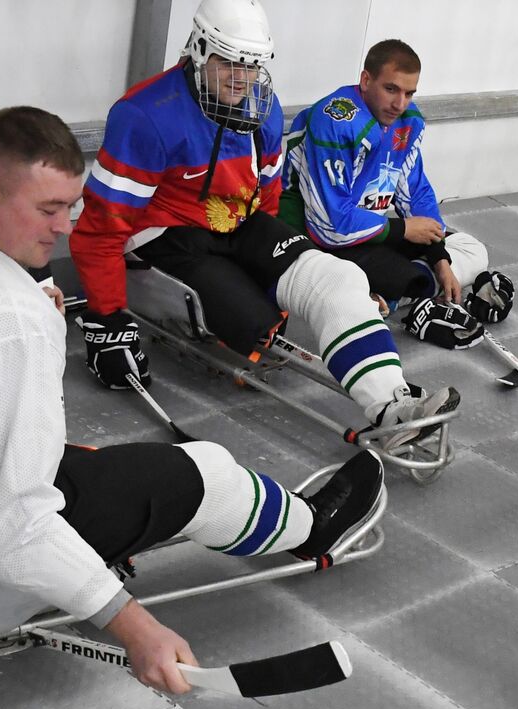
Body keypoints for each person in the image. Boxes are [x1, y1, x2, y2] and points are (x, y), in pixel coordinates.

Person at [0, 106, 384, 696]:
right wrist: (134, 626)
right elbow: (10, 530)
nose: (65, 227)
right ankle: (314, 529)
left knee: (69, 457)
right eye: (48, 209)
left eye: (70, 205)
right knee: (206, 473)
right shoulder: (4, 320)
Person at [69, 0, 458, 447]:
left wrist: (275, 265)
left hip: (241, 223)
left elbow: (267, 194)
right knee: (253, 323)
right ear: (198, 50)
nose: (242, 77)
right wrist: (108, 319)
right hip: (168, 234)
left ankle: (393, 407)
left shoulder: (263, 108)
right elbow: (100, 226)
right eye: (229, 61)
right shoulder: (146, 116)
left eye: (253, 65)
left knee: (338, 278)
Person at [279, 38, 515, 343]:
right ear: (366, 80)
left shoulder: (406, 120)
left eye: (409, 93)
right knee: (396, 277)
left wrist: (439, 257)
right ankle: (405, 298)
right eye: (391, 89)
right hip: (313, 239)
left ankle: (403, 297)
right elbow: (330, 227)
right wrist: (403, 229)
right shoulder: (335, 121)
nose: (400, 103)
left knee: (472, 250)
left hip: (366, 232)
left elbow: (415, 192)